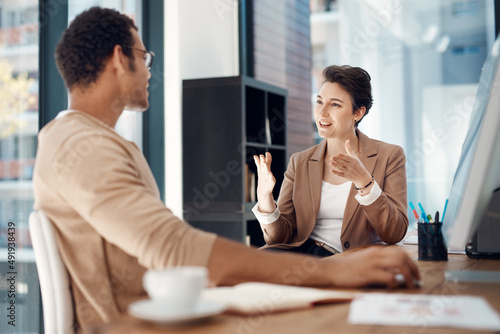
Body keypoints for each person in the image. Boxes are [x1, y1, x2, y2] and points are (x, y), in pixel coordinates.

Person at [33, 7, 419, 332]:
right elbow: (174, 248)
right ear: (120, 59)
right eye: (144, 57)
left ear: (358, 113)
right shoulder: (80, 145)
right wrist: (334, 273)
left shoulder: (96, 142)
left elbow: (162, 251)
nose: (150, 70)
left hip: (163, 310)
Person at [252, 65, 408, 256]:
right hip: (303, 254)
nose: (322, 112)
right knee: (248, 263)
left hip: (349, 260)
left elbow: (395, 232)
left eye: (335, 104)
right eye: (319, 102)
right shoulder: (299, 161)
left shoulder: (389, 156)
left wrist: (364, 182)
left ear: (357, 113)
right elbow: (280, 238)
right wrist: (265, 198)